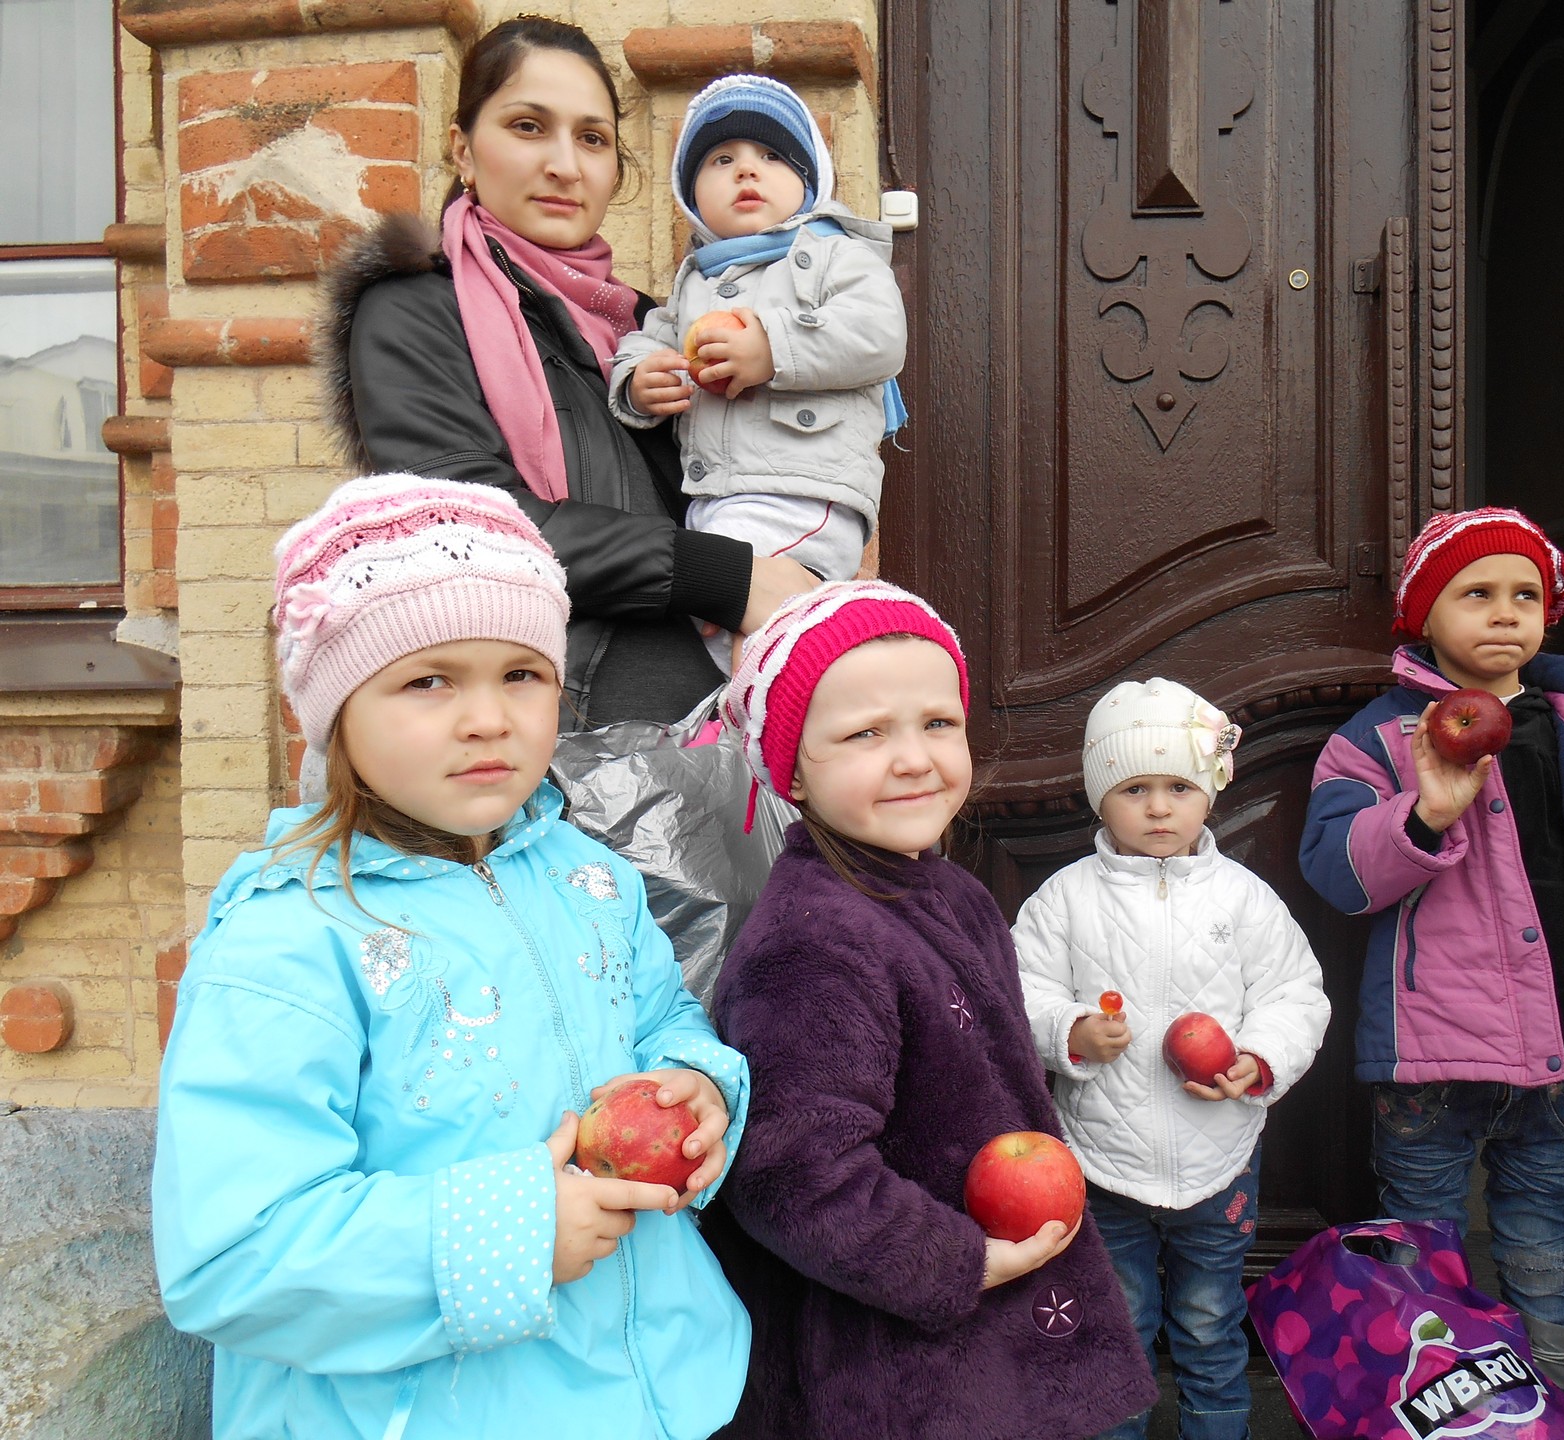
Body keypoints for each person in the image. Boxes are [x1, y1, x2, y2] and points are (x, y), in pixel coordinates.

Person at [151, 475, 752, 1439]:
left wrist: (698, 1083)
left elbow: (665, 1023)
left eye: (522, 674)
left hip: (668, 1386)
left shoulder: (591, 878)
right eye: (428, 680)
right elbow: (231, 1255)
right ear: (335, 708)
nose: (488, 718)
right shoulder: (290, 939)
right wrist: (512, 1235)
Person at [698, 581, 1162, 1439]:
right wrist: (955, 1262)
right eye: (866, 733)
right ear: (792, 766)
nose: (914, 757)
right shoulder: (813, 944)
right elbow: (789, 1170)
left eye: (936, 723)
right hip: (892, 1362)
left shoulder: (950, 894)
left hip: (981, 1325)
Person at [1296, 506, 1564, 1390]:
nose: (1504, 612)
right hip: (1430, 1055)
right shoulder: (1376, 739)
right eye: (1475, 592)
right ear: (1423, 616)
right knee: (1420, 1231)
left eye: (1525, 594)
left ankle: (1544, 1390)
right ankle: (1425, 1390)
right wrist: (1424, 813)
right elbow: (1337, 873)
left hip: (1560, 1044)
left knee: (1543, 1225)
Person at [323, 18, 815, 728]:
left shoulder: (646, 325)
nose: (565, 165)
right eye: (528, 127)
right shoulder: (417, 308)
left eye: (591, 138)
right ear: (463, 148)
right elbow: (466, 519)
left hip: (712, 717)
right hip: (549, 733)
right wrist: (725, 577)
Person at [1013, 678, 1331, 1440]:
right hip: (1103, 1159)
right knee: (1116, 1327)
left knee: (1210, 1322)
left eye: (1179, 787)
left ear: (1210, 794)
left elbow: (1296, 993)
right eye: (1134, 788)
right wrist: (1068, 1031)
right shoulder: (1065, 899)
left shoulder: (1244, 899)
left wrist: (1259, 1058)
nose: (1159, 808)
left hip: (1217, 1158)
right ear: (1100, 797)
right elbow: (1015, 989)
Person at [609, 74, 908, 673]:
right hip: (717, 498)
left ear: (808, 180)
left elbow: (878, 335)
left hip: (801, 492)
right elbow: (650, 338)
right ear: (692, 194)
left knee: (749, 633)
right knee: (739, 644)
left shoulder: (832, 253)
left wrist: (772, 348)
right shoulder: (695, 281)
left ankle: (757, 748)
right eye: (722, 159)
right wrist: (639, 381)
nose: (747, 171)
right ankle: (751, 746)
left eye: (771, 157)